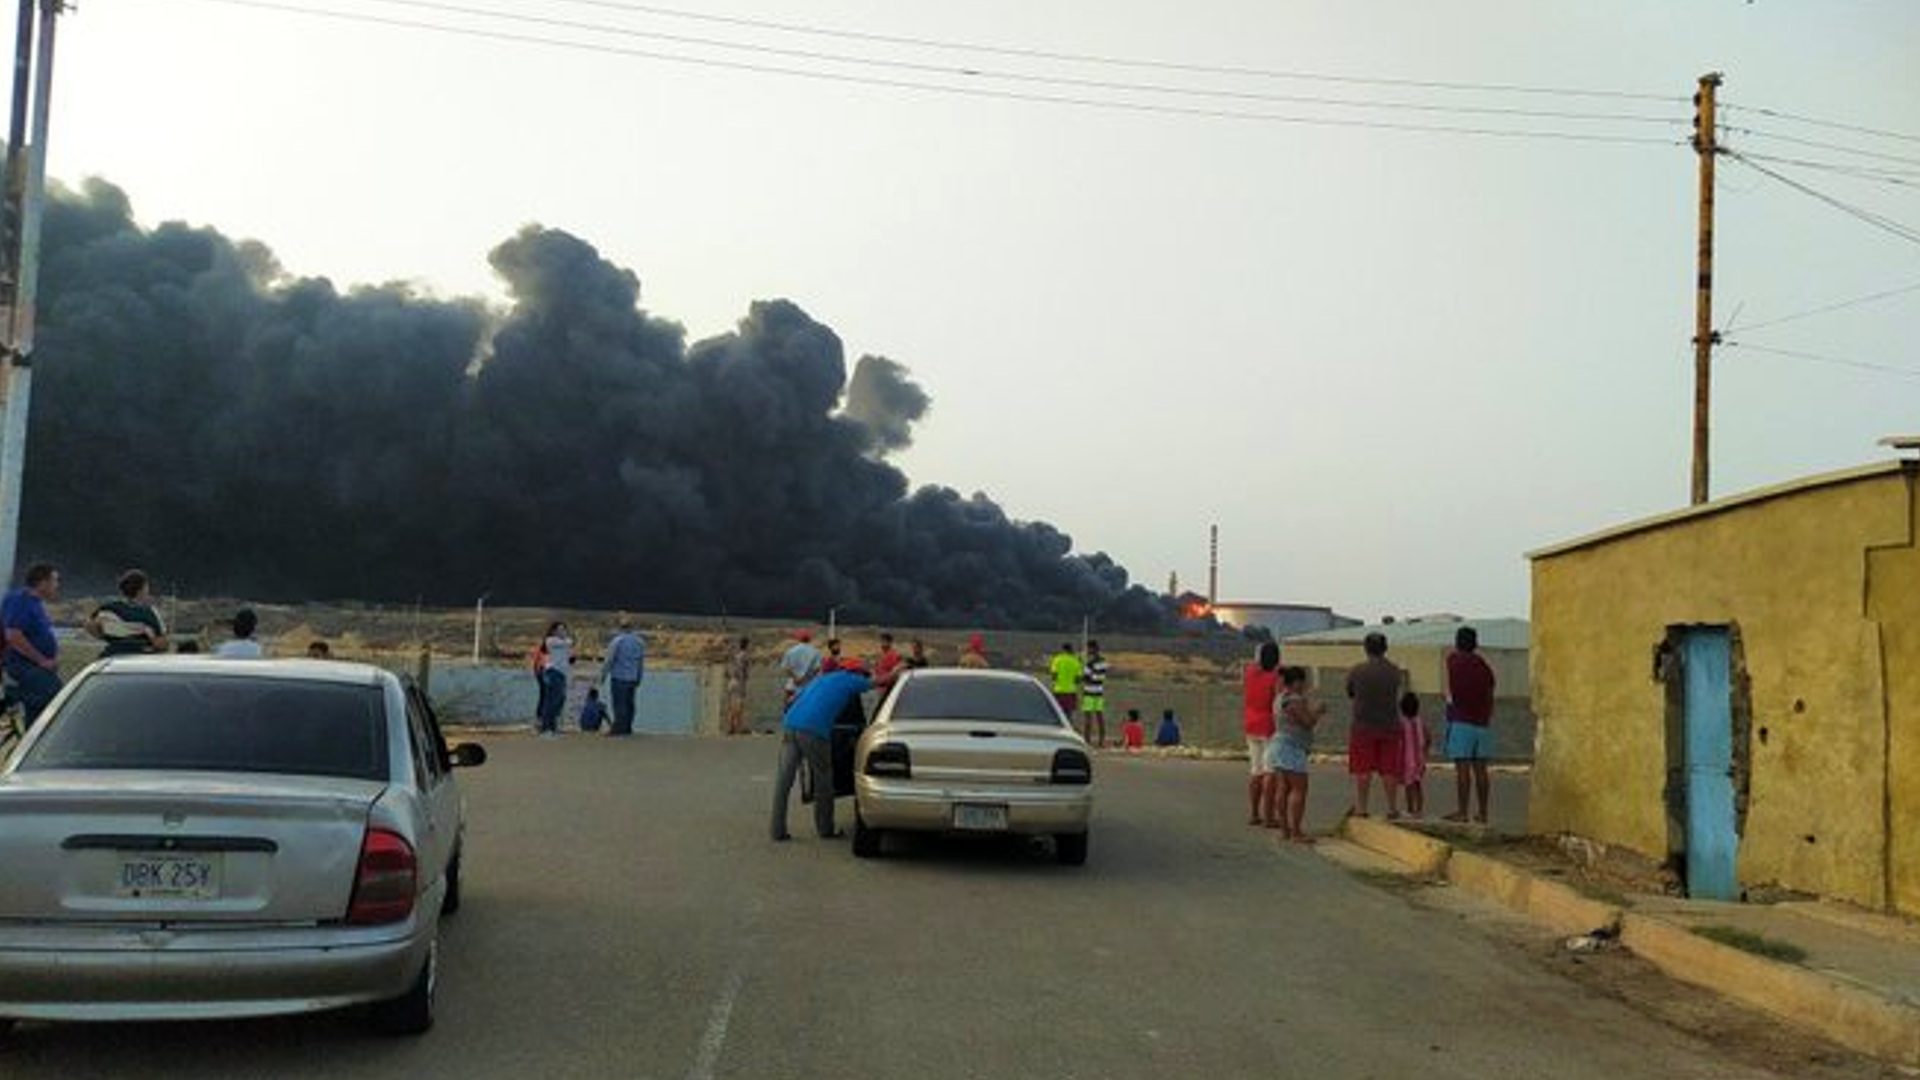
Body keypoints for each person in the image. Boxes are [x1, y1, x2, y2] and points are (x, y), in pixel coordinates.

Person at [770, 666, 872, 842]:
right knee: (823, 779)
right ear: (858, 674)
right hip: (814, 731)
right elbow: (878, 682)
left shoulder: (822, 679)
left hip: (790, 724)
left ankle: (777, 830)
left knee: (784, 780)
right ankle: (825, 829)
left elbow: (793, 699)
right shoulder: (852, 680)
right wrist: (897, 671)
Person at [1346, 632, 1406, 819]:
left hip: (1363, 726)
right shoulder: (1394, 671)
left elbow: (1350, 692)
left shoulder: (1357, 671)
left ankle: (1362, 808)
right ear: (1385, 648)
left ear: (1366, 648)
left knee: (1363, 770)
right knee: (1389, 770)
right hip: (1389, 725)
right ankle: (1391, 808)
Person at [1443, 625, 1498, 824]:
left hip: (1461, 720)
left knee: (1463, 768)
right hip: (1482, 723)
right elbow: (1491, 687)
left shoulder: (1453, 660)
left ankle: (1462, 812)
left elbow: (1453, 689)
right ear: (1476, 643)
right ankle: (1483, 813)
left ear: (1457, 642)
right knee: (1481, 770)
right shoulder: (1482, 665)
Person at [1268, 666, 1325, 843]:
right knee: (1299, 789)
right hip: (1291, 747)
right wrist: (1318, 711)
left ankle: (1285, 830)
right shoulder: (1294, 700)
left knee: (1282, 789)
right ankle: (1296, 832)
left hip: (1278, 745)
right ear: (1297, 682)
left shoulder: (1279, 698)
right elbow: (1307, 722)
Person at [2, 563, 63, 725]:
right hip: (24, 666)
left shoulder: (36, 603)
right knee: (57, 697)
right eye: (55, 581)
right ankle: (12, 695)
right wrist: (41, 660)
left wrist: (54, 657)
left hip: (37, 667)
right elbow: (13, 635)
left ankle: (32, 741)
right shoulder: (20, 600)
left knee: (39, 713)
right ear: (42, 583)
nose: (57, 586)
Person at [1242, 641, 1282, 827]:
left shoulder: (1249, 672)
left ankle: (1254, 813)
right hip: (1269, 726)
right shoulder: (1275, 676)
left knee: (1255, 771)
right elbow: (1277, 702)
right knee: (1270, 772)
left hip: (1250, 725)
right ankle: (1269, 817)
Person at [85, 569, 168, 656]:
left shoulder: (107, 608)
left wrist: (106, 637)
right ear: (141, 590)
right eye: (147, 587)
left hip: (111, 656)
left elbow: (89, 625)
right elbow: (160, 644)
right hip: (139, 659)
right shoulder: (149, 613)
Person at [599, 615, 645, 737]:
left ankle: (619, 728)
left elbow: (609, 660)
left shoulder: (617, 641)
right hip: (632, 677)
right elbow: (640, 662)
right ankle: (628, 727)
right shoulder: (639, 642)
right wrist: (639, 677)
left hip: (619, 676)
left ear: (620, 628)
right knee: (630, 703)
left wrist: (603, 674)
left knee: (619, 703)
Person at [536, 621, 573, 738]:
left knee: (559, 700)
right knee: (552, 701)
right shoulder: (551, 641)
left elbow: (569, 653)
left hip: (562, 673)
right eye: (560, 629)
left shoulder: (563, 642)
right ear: (554, 631)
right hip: (553, 672)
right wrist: (566, 640)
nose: (562, 632)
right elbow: (569, 642)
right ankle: (546, 728)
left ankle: (552, 727)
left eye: (564, 629)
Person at [1399, 692, 1430, 819]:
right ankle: (1419, 809)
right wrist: (1426, 752)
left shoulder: (1402, 723)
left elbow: (1398, 741)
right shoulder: (1420, 722)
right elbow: (1428, 738)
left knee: (1408, 785)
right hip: (1419, 759)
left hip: (1407, 760)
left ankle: (1410, 809)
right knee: (1418, 785)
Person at [779, 630, 822, 707]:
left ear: (798, 639)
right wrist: (804, 678)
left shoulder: (790, 651)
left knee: (787, 708)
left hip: (792, 685)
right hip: (809, 686)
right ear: (809, 639)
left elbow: (786, 668)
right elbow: (817, 668)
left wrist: (796, 678)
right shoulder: (816, 652)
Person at [1081, 640, 1109, 747]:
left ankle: (1086, 741)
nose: (1087, 651)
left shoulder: (1090, 663)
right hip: (1099, 691)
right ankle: (1101, 741)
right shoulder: (1104, 662)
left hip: (1089, 692)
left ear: (1092, 648)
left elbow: (1086, 678)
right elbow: (1101, 676)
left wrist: (1084, 668)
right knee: (1100, 717)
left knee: (1088, 718)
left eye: (1088, 649)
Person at [723, 635, 752, 735]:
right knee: (739, 706)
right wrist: (744, 680)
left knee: (732, 705)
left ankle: (731, 727)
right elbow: (745, 671)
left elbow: (727, 670)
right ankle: (739, 727)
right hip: (739, 682)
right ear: (747, 645)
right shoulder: (745, 656)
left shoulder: (735, 656)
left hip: (731, 681)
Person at [1048, 641, 1082, 720]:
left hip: (1058, 690)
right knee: (1069, 712)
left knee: (1057, 712)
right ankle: (1068, 727)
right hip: (1071, 691)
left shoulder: (1057, 659)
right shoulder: (1076, 661)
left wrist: (1057, 681)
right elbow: (1078, 679)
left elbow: (1053, 675)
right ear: (1071, 650)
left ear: (1062, 650)